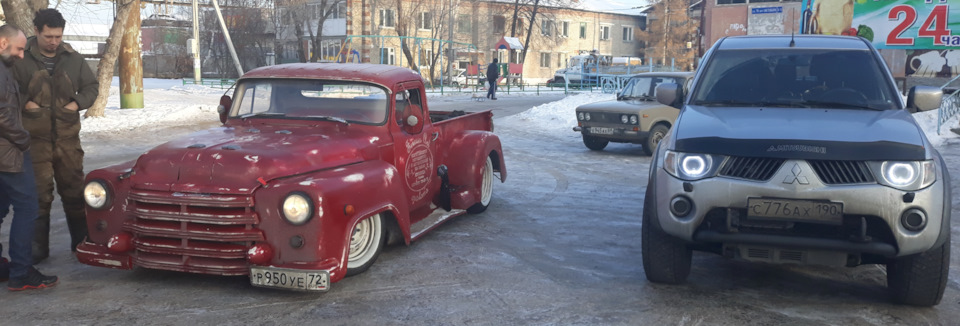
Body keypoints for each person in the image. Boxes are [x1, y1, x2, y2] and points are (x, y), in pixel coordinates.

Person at [12, 8, 98, 263]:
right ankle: (38, 249)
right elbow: (8, 88)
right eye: (48, 36)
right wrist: (26, 103)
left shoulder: (73, 58)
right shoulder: (20, 56)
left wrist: (77, 103)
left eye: (58, 36)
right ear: (36, 31)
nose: (53, 42)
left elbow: (92, 86)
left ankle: (81, 242)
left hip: (68, 138)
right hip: (34, 140)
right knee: (39, 195)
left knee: (74, 191)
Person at [0, 24, 59, 290]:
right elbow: (2, 115)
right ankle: (21, 272)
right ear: (3, 43)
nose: (22, 55)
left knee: (0, 209)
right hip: (9, 153)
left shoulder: (5, 69)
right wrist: (23, 139)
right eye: (19, 49)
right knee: (27, 209)